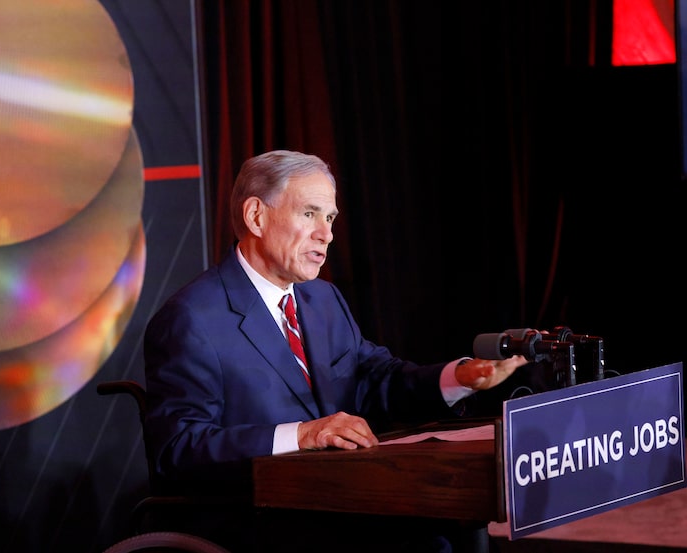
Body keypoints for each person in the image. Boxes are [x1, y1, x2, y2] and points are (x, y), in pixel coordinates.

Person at [142, 149, 528, 553]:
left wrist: (459, 377)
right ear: (256, 216)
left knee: (446, 530)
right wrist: (302, 434)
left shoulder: (322, 299)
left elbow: (375, 379)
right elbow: (179, 450)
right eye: (309, 214)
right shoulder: (191, 319)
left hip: (340, 500)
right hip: (256, 519)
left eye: (329, 218)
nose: (325, 234)